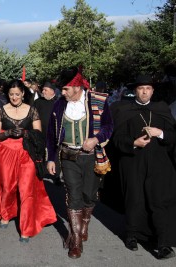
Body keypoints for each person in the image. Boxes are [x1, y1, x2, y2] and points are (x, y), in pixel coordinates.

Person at [111, 74, 176, 259]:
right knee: (134, 199)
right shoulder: (123, 109)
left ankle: (163, 244)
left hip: (158, 163)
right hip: (132, 162)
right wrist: (134, 142)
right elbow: (116, 140)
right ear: (135, 91)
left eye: (148, 88)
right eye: (140, 88)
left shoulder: (161, 109)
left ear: (153, 91)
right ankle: (132, 235)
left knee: (159, 201)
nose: (144, 91)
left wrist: (160, 132)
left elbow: (173, 137)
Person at [46, 67, 113, 258]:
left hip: (91, 157)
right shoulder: (59, 105)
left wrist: (96, 138)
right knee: (73, 194)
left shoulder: (98, 101)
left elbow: (109, 125)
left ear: (76, 86)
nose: (62, 93)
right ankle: (75, 241)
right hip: (68, 157)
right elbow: (51, 134)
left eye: (66, 89)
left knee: (89, 195)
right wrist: (51, 158)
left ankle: (84, 224)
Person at [0, 80, 57, 243]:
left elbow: (38, 133)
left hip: (26, 153)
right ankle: (6, 214)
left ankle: (26, 228)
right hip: (5, 153)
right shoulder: (1, 111)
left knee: (26, 190)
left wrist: (25, 133)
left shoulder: (32, 110)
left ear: (23, 93)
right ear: (7, 94)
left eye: (17, 94)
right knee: (8, 187)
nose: (14, 97)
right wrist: (7, 133)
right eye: (11, 94)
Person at [33, 81, 61, 185]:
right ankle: (40, 173)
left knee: (55, 153)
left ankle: (56, 174)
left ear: (52, 91)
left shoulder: (58, 102)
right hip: (40, 132)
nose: (43, 92)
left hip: (54, 132)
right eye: (43, 90)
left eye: (46, 90)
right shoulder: (38, 102)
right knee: (40, 153)